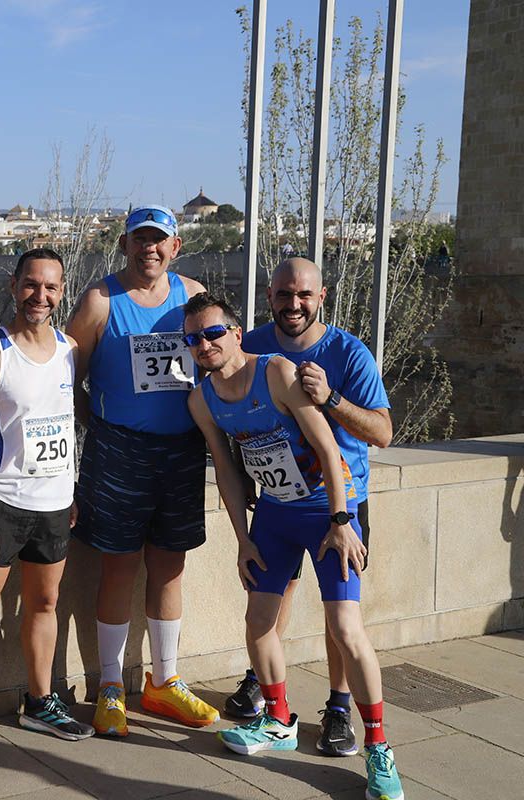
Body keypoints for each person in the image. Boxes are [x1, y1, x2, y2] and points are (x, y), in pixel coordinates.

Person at [183, 292, 404, 800]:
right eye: (193, 339)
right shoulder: (202, 399)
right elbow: (228, 471)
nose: (204, 345)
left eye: (213, 333)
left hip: (326, 512)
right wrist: (241, 539)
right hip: (276, 517)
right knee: (258, 625)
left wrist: (343, 520)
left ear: (236, 334)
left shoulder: (278, 372)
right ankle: (279, 721)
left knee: (347, 628)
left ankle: (378, 748)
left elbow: (329, 447)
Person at [223, 257, 392, 759]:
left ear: (321, 297)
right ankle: (264, 681)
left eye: (303, 295)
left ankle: (339, 707)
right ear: (269, 295)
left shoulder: (347, 351)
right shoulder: (250, 344)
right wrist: (245, 463)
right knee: (276, 594)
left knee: (338, 614)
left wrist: (331, 397)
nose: (292, 304)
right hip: (277, 502)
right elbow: (231, 400)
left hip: (338, 501)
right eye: (282, 294)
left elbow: (383, 432)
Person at [64, 205, 217, 737]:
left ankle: (164, 681)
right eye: (139, 240)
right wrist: (102, 427)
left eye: (160, 241)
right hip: (119, 451)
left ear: (175, 247)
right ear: (124, 244)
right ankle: (110, 685)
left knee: (169, 566)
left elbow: (220, 361)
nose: (149, 249)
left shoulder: (192, 294)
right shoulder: (100, 302)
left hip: (181, 449)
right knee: (119, 566)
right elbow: (66, 380)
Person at [0, 248, 93, 763]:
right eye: (31, 285)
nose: (41, 296)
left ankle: (40, 700)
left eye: (51, 287)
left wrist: (71, 490)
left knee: (45, 605)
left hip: (54, 504)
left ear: (62, 292)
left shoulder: (70, 350)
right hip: (2, 502)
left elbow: (64, 422)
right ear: (14, 286)